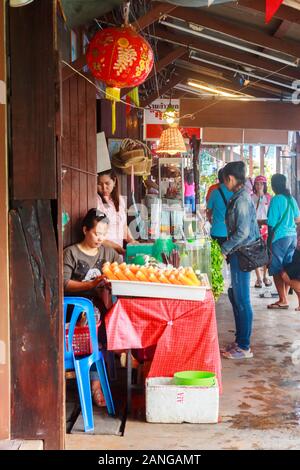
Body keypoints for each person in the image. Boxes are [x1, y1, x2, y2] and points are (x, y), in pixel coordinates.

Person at [64, 208, 122, 406]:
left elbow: (122, 267)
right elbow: (63, 283)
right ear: (85, 230)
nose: (100, 238)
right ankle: (96, 386)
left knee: (118, 316)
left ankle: (124, 354)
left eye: (103, 235)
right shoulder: (71, 253)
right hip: (75, 309)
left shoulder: (107, 252)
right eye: (96, 233)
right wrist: (90, 285)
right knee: (94, 325)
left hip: (99, 306)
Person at [220, 161, 260, 360]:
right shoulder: (239, 196)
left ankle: (244, 347)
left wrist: (224, 249)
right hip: (238, 253)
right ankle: (240, 340)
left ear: (230, 178)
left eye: (225, 179)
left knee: (242, 300)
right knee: (236, 296)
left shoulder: (242, 199)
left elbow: (243, 232)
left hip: (242, 254)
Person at [267, 174, 300, 310]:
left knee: (277, 269)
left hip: (279, 238)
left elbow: (271, 224)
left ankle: (283, 299)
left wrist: (269, 242)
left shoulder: (276, 200)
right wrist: (288, 225)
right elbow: (298, 219)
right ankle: (286, 298)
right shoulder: (291, 199)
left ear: (274, 185)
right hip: (292, 237)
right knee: (287, 269)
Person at [97, 169, 137, 256]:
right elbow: (97, 234)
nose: (104, 188)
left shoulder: (120, 200)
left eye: (107, 183)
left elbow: (123, 225)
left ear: (114, 181)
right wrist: (118, 248)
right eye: (100, 184)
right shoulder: (96, 201)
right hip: (103, 252)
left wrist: (132, 241)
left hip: (118, 252)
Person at [251, 175, 272, 288]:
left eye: (261, 184)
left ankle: (265, 276)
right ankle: (258, 278)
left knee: (265, 253)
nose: (259, 186)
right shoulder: (251, 197)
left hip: (266, 228)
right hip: (254, 228)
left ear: (265, 185)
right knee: (255, 253)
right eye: (257, 184)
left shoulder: (269, 198)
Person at [206, 175, 233, 247]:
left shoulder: (214, 192)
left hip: (216, 230)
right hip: (231, 232)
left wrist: (210, 219)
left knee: (217, 256)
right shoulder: (234, 192)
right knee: (228, 256)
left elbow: (209, 210)